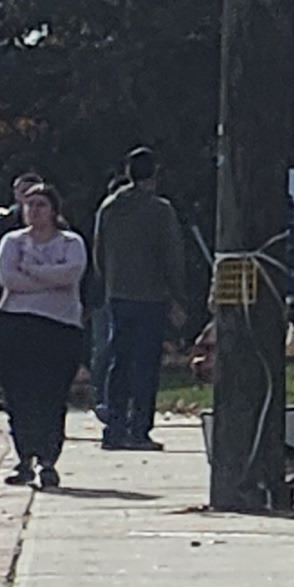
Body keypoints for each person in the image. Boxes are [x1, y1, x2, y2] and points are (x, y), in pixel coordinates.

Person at [0, 179, 90, 491]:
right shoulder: (12, 241)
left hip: (59, 326)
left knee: (51, 394)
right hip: (15, 323)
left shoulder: (71, 243)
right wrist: (47, 278)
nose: (34, 210)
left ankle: (48, 459)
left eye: (41, 204)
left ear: (54, 209)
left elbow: (71, 273)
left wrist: (32, 270)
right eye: (29, 205)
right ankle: (24, 456)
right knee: (19, 394)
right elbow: (9, 278)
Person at [87, 146, 188, 452]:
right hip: (151, 296)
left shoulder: (109, 208)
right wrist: (178, 297)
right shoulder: (160, 210)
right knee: (146, 365)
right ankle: (139, 428)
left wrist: (110, 283)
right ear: (155, 173)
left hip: (118, 295)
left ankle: (114, 426)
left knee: (119, 362)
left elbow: (99, 254)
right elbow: (172, 256)